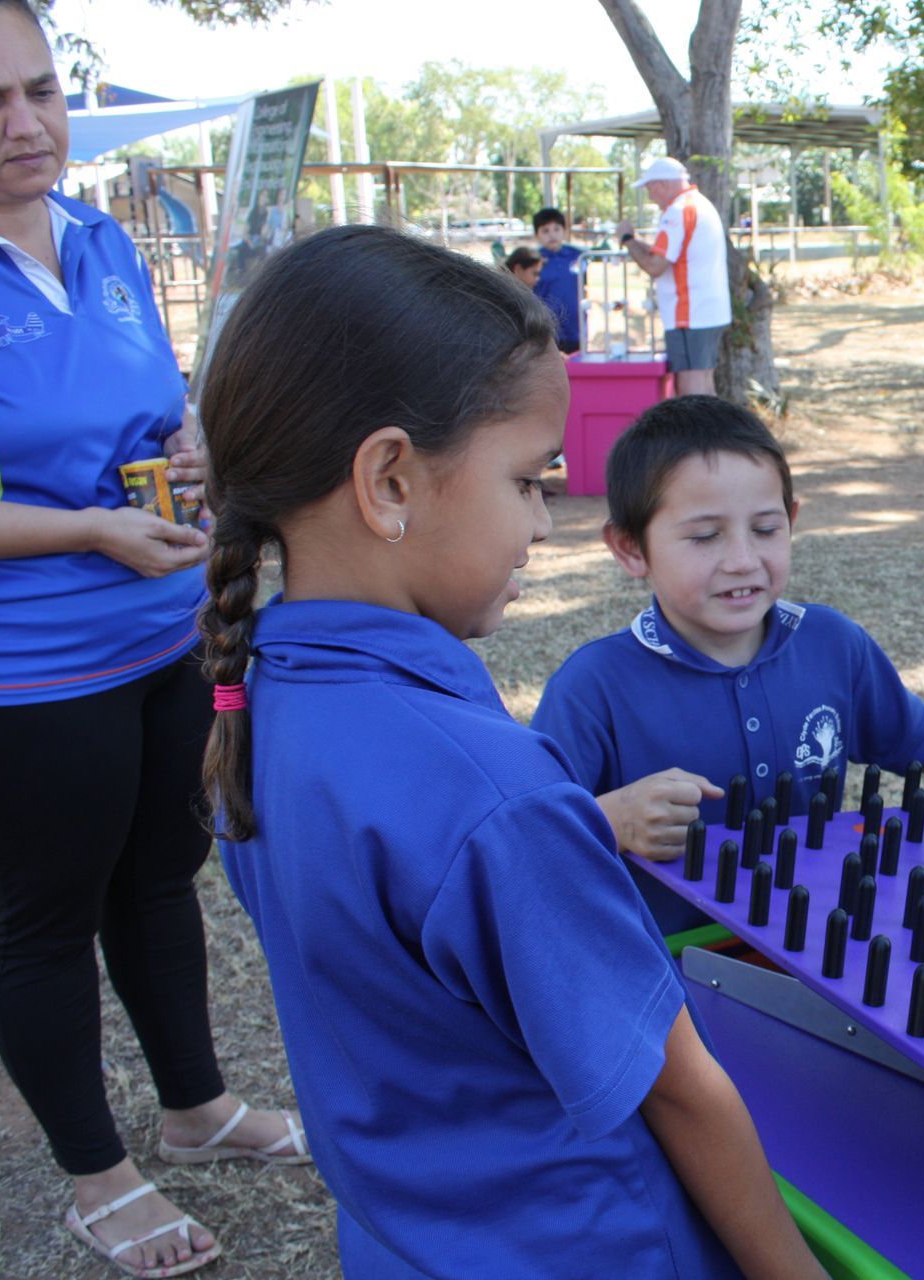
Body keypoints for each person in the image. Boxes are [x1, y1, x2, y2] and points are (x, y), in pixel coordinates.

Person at [195, 224, 824, 1280]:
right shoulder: (498, 797)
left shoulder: (257, 699)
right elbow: (675, 1085)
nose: (541, 521)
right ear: (389, 479)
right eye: (528, 478)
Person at [0, 4, 309, 1276]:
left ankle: (197, 1108)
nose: (28, 123)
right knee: (48, 915)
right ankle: (93, 1173)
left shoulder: (103, 235)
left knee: (160, 883)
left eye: (42, 90)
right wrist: (86, 536)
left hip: (163, 633)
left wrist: (192, 448)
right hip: (21, 671)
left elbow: (156, 406)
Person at [531, 395, 924, 929]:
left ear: (792, 520)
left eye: (766, 529)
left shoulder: (831, 644)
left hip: (820, 956)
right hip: (665, 978)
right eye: (705, 537)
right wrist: (615, 819)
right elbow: (529, 837)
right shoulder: (592, 687)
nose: (743, 560)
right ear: (631, 549)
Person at [615, 157, 731, 396]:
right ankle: (710, 433)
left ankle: (696, 434)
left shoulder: (676, 212)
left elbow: (655, 266)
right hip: (707, 311)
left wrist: (627, 239)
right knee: (703, 380)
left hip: (689, 313)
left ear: (661, 185)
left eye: (650, 189)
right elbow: (667, 254)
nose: (650, 197)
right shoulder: (698, 204)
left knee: (691, 385)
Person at [530, 205, 583, 354]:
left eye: (556, 229)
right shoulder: (533, 259)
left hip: (575, 326)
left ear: (564, 231)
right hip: (547, 328)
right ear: (537, 235)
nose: (552, 235)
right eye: (545, 231)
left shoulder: (577, 256)